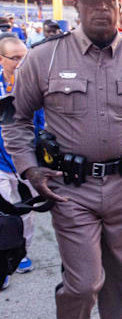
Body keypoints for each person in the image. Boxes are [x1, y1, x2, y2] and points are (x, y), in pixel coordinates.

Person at [1, 0, 122, 319]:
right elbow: (16, 121)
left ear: (119, 5)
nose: (101, 9)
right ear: (76, 4)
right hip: (70, 191)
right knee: (83, 284)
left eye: (108, 1)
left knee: (119, 283)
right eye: (91, 1)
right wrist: (30, 171)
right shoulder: (43, 59)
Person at [0, 36, 44, 290]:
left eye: (23, 57)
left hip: (26, 163)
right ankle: (3, 262)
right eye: (15, 58)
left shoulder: (33, 85)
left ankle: (21, 252)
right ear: (1, 59)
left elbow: (39, 125)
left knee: (26, 215)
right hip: (0, 165)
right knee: (4, 216)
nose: (20, 63)